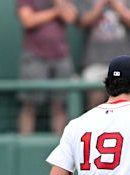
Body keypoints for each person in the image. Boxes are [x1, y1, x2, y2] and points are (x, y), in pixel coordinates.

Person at [16, 0, 78, 135]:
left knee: (59, 105)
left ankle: (61, 150)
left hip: (61, 56)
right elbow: (28, 21)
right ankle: (24, 147)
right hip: (34, 56)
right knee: (29, 105)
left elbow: (70, 16)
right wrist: (55, 11)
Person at [77, 0, 130, 108]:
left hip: (123, 60)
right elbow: (82, 22)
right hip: (95, 60)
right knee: (95, 103)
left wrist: (116, 5)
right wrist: (101, 4)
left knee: (125, 103)